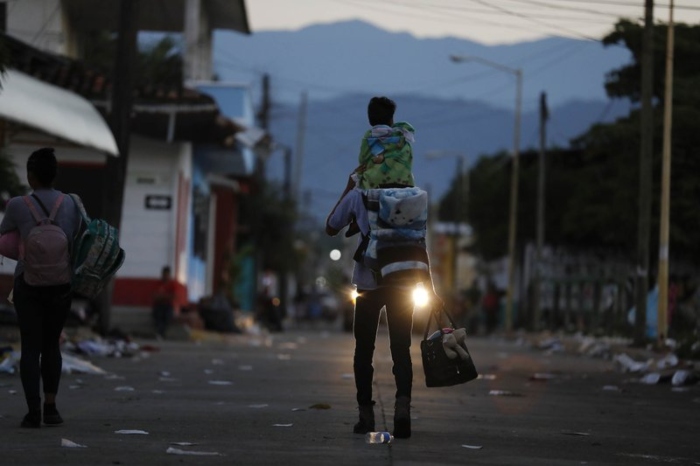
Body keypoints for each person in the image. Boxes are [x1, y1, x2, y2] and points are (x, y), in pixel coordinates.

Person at [325, 174, 438, 439]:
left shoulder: (359, 195)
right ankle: (402, 410)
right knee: (401, 349)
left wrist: (348, 187)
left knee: (363, 351)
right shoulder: (414, 197)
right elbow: (419, 244)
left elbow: (331, 227)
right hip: (403, 283)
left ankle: (366, 417)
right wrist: (430, 288)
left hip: (369, 283)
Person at [0, 147, 82, 428]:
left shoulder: (17, 205)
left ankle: (33, 412)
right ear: (55, 175)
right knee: (51, 345)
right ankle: (52, 408)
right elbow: (75, 236)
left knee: (30, 347)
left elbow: (5, 235)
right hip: (61, 283)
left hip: (28, 283)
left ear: (31, 176)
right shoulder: (71, 203)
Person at [353, 96, 416, 190]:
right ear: (391, 119)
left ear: (370, 119)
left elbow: (362, 160)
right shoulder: (403, 136)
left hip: (373, 186)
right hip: (403, 185)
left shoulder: (369, 138)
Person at [152, 265, 177, 338]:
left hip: (168, 306)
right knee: (158, 315)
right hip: (158, 306)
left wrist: (162, 297)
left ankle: (161, 333)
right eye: (164, 274)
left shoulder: (172, 285)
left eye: (167, 274)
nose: (165, 276)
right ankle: (160, 333)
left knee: (167, 316)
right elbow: (155, 296)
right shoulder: (158, 284)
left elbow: (173, 296)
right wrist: (165, 297)